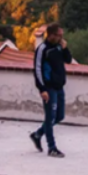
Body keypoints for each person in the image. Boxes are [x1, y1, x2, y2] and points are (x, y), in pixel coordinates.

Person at [30, 24, 73, 158]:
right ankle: (52, 147)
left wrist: (65, 49)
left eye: (62, 35)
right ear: (51, 35)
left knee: (60, 116)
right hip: (48, 87)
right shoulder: (42, 49)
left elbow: (68, 60)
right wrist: (42, 89)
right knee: (50, 117)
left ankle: (37, 134)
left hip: (59, 86)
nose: (61, 38)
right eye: (59, 35)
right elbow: (37, 70)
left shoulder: (59, 47)